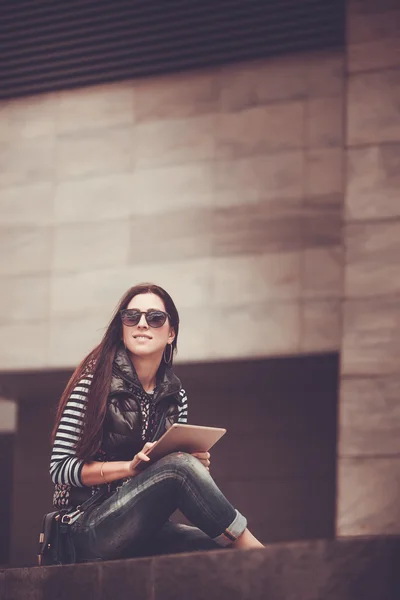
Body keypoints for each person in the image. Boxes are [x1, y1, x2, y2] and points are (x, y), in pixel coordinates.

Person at [50, 282, 264, 561]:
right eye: (132, 316)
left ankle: (254, 558)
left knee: (217, 550)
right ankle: (262, 554)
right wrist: (130, 468)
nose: (142, 324)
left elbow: (170, 476)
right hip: (88, 524)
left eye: (155, 318)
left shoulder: (177, 397)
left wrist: (193, 466)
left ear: (171, 332)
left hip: (142, 524)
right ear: (122, 327)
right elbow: (60, 468)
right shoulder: (92, 385)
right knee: (178, 467)